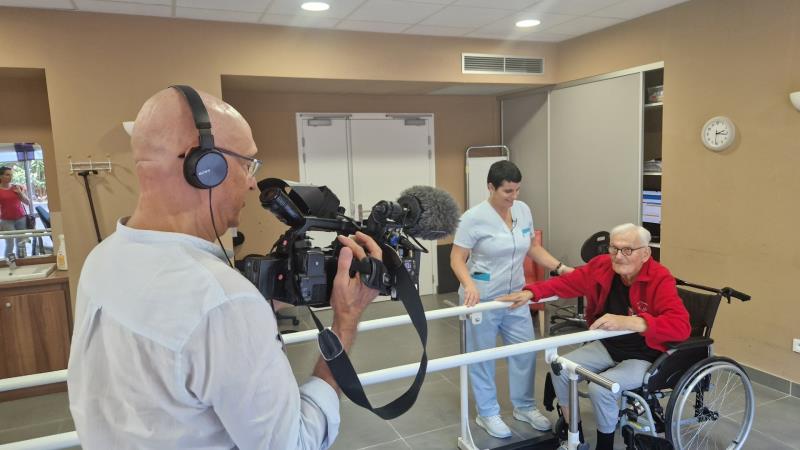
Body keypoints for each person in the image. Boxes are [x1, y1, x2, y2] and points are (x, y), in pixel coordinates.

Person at [67, 87, 380, 449]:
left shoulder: (103, 257)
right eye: (248, 164)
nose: (252, 183)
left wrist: (266, 302)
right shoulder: (223, 301)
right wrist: (345, 323)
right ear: (206, 168)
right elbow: (294, 444)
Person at [499, 223, 690, 450]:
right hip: (609, 346)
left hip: (645, 355)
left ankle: (605, 446)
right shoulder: (602, 266)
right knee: (561, 367)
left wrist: (632, 322)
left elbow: (681, 327)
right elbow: (569, 282)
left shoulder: (660, 278)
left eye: (627, 250)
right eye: (614, 248)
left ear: (645, 253)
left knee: (600, 389)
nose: (618, 256)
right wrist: (533, 292)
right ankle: (574, 435)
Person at [450, 160, 572, 439]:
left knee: (524, 352)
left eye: (517, 190)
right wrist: (469, 285)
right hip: (481, 297)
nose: (513, 196)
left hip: (516, 295)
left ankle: (524, 407)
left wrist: (560, 268)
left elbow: (532, 247)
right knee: (483, 357)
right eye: (507, 191)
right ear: (491, 187)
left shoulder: (522, 210)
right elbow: (457, 258)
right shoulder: (472, 218)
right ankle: (487, 412)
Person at [0, 166, 31, 257]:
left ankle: (22, 262)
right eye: (7, 175)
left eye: (11, 175)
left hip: (21, 218)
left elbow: (27, 202)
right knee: (10, 244)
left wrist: (20, 193)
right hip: (6, 221)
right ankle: (9, 263)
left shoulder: (17, 187)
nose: (10, 177)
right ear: (1, 176)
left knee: (21, 243)